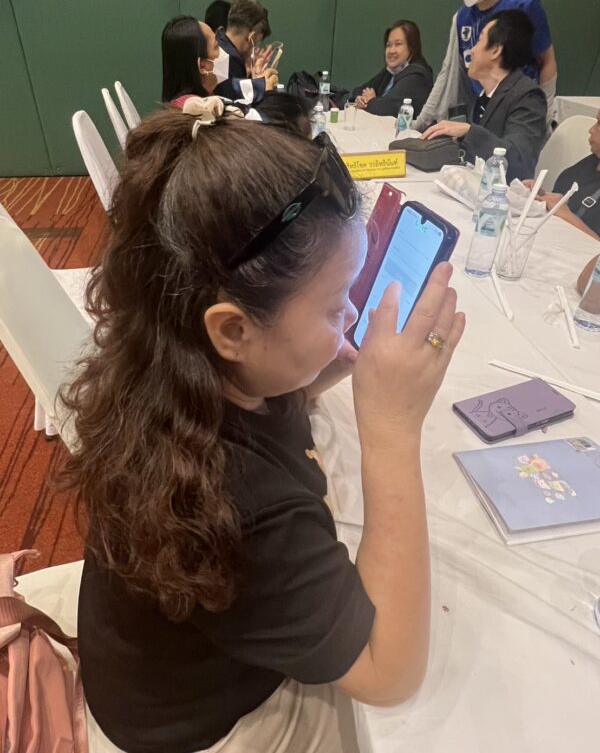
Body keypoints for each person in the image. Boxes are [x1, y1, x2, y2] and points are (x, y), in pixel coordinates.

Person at [60, 111, 464, 753]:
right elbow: (389, 672)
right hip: (197, 731)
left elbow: (263, 404)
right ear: (233, 331)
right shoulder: (237, 503)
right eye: (334, 305)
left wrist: (317, 370)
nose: (351, 315)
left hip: (144, 683)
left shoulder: (167, 366)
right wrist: (392, 429)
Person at [413, 0, 557, 131]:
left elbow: (547, 61)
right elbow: (449, 72)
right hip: (482, 116)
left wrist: (543, 113)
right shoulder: (462, 17)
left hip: (520, 113)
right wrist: (420, 123)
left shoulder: (524, 6)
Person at [422, 10, 547, 182]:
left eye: (479, 40)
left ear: (495, 50)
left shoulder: (528, 96)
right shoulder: (484, 96)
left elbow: (519, 161)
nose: (472, 50)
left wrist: (469, 131)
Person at [528, 112, 600, 239]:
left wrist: (565, 215)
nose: (591, 130)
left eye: (599, 124)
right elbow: (566, 199)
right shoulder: (589, 164)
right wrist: (542, 196)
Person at [351, 20, 433, 117]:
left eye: (398, 44)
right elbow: (359, 90)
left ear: (411, 47)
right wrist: (361, 99)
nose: (391, 50)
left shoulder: (418, 76)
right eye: (388, 45)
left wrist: (371, 101)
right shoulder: (391, 71)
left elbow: (386, 108)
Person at [215, 0, 278, 102]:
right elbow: (239, 106)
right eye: (257, 43)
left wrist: (248, 73)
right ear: (251, 37)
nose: (256, 48)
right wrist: (260, 85)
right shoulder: (231, 61)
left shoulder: (218, 43)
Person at [161, 16, 222, 104]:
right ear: (202, 66)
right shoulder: (200, 110)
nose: (223, 50)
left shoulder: (177, 107)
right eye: (216, 46)